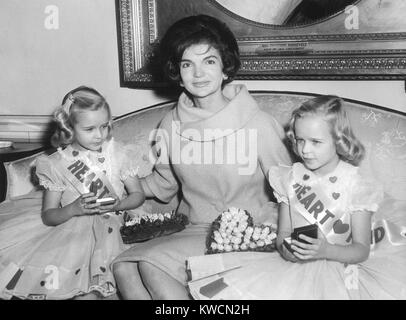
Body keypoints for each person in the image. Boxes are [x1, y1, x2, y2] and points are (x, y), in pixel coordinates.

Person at [112, 14, 292, 300]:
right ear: (177, 74)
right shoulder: (171, 124)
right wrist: (114, 180)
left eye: (209, 61)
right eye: (187, 64)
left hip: (247, 230)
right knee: (123, 268)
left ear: (225, 68)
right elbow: (162, 184)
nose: (198, 74)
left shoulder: (258, 123)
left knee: (149, 265)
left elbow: (291, 188)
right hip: (195, 227)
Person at [187, 95, 406, 300]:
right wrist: (287, 250)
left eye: (315, 142)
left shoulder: (358, 187)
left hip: (343, 267)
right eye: (300, 140)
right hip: (294, 268)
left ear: (339, 140)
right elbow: (283, 234)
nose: (305, 150)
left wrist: (325, 250)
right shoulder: (289, 179)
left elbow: (360, 250)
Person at [0, 86, 145, 300]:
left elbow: (138, 195)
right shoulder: (57, 164)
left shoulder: (119, 153)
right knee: (81, 292)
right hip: (73, 234)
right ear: (69, 127)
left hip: (118, 226)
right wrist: (74, 208)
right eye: (90, 129)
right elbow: (49, 215)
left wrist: (118, 205)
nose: (100, 135)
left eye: (105, 126)